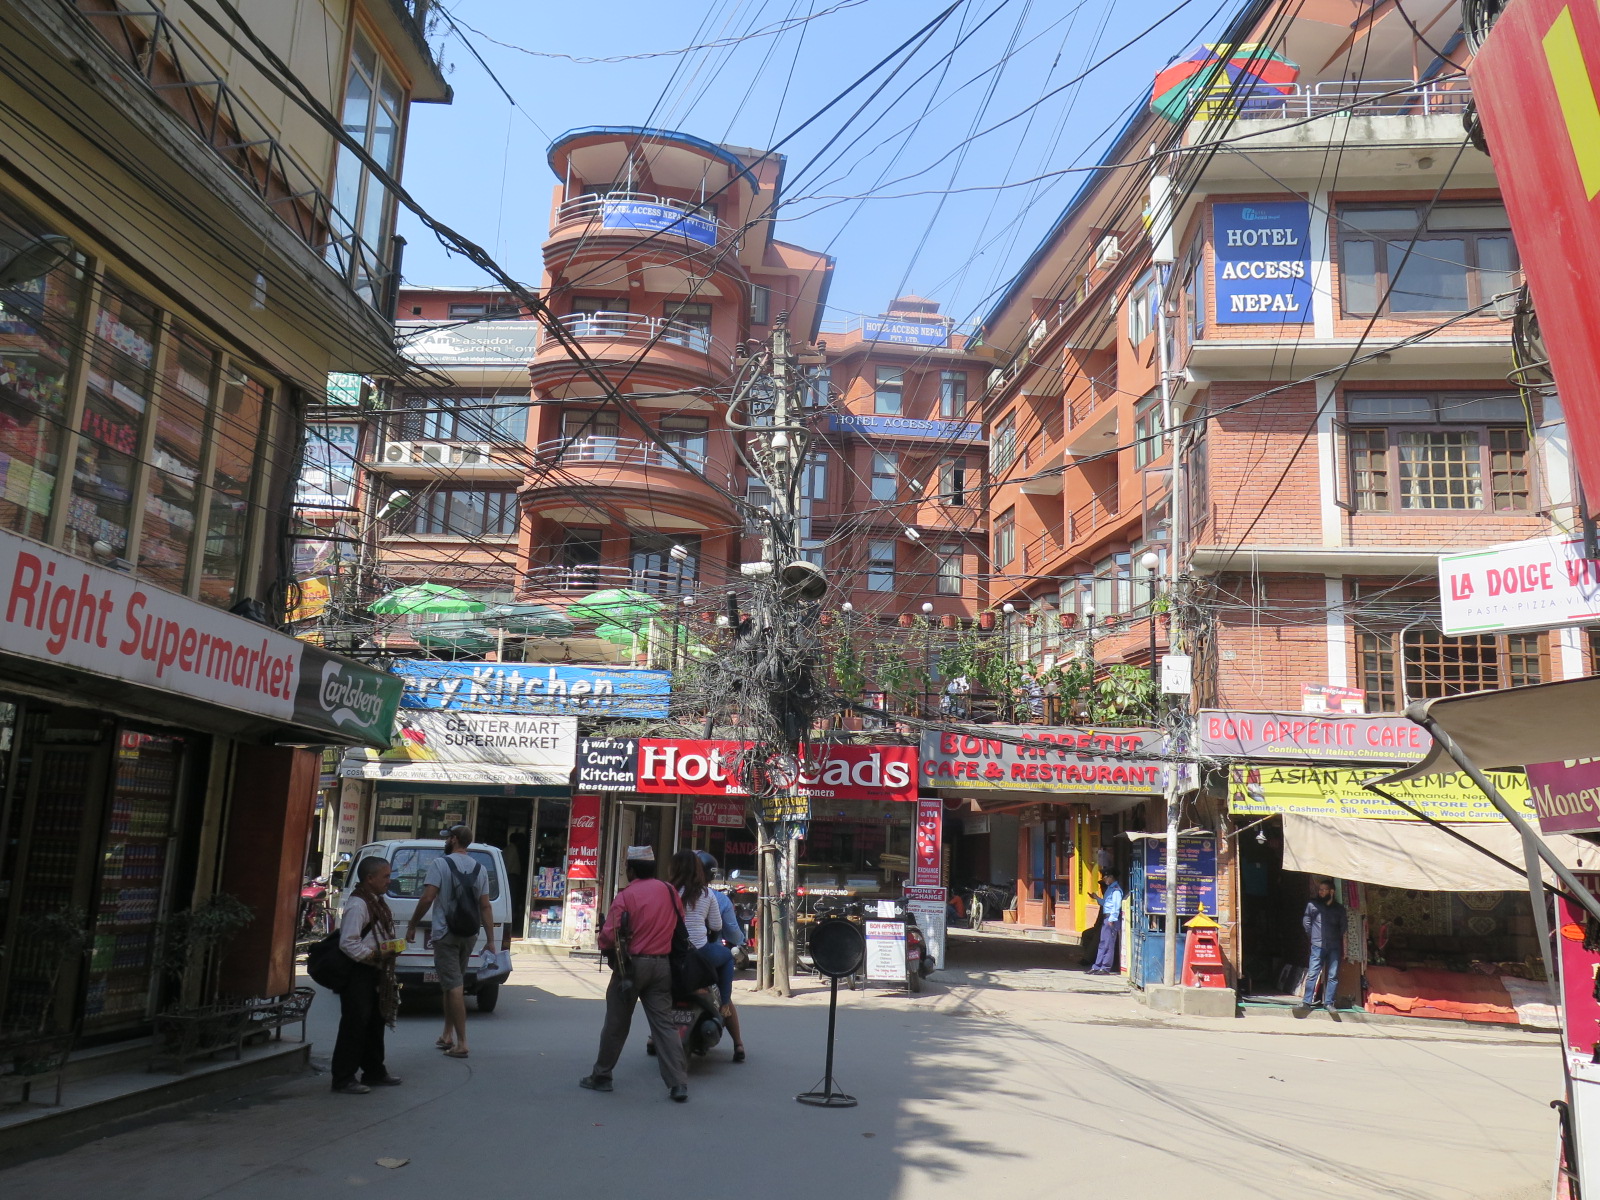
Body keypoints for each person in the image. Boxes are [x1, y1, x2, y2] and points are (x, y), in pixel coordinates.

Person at [581, 846, 691, 1102]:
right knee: (664, 1026)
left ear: (631, 870)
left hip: (630, 967)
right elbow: (680, 923)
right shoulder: (669, 891)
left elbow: (608, 936)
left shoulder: (626, 896)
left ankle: (602, 1076)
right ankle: (678, 1084)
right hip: (662, 965)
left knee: (617, 1024)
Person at [405, 824, 495, 1059]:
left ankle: (462, 1042)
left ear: (455, 840)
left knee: (454, 985)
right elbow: (485, 906)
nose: (445, 841)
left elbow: (427, 898)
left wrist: (413, 924)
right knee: (451, 983)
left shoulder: (439, 864)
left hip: (446, 933)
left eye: (448, 838)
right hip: (469, 933)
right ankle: (447, 1034)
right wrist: (491, 940)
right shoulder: (480, 868)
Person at [332, 856, 402, 1094]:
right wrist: (373, 956)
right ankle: (343, 1078)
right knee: (355, 1024)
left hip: (375, 970)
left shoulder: (377, 901)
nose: (389, 881)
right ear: (370, 878)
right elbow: (348, 943)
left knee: (375, 1021)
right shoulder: (358, 905)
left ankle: (374, 1071)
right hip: (359, 971)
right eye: (385, 876)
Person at [695, 850, 747, 1063]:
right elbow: (728, 930)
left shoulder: (672, 892)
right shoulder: (714, 898)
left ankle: (654, 1038)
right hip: (708, 956)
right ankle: (738, 1043)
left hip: (678, 956)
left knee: (663, 997)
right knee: (726, 958)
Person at [1302, 877, 1348, 1011]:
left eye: (1324, 890)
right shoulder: (1313, 905)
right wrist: (1312, 935)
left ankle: (1329, 1003)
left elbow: (1343, 927)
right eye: (1320, 890)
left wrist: (1334, 937)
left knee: (1333, 975)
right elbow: (1306, 921)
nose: (1321, 892)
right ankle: (1306, 1001)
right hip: (1317, 946)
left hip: (1334, 946)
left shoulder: (1339, 909)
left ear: (1332, 891)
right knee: (1313, 974)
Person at [1088, 871, 1124, 975]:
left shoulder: (1116, 890)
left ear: (1111, 877)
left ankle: (1105, 967)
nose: (1104, 880)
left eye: (1105, 878)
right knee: (1103, 942)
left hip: (1111, 919)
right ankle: (1097, 966)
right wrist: (1096, 898)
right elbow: (1106, 903)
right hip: (1106, 918)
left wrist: (1112, 919)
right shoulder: (1110, 889)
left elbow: (1116, 907)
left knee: (1108, 944)